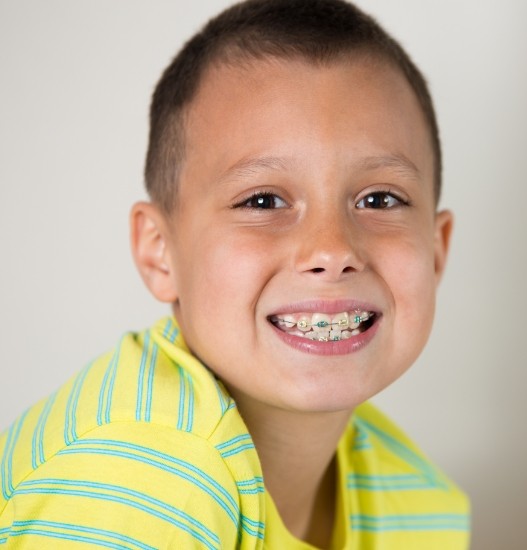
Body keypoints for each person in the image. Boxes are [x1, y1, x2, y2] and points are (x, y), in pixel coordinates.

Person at [0, 0, 470, 548]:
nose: (332, 249)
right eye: (264, 199)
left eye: (380, 198)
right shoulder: (144, 481)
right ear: (160, 253)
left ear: (436, 253)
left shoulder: (421, 502)